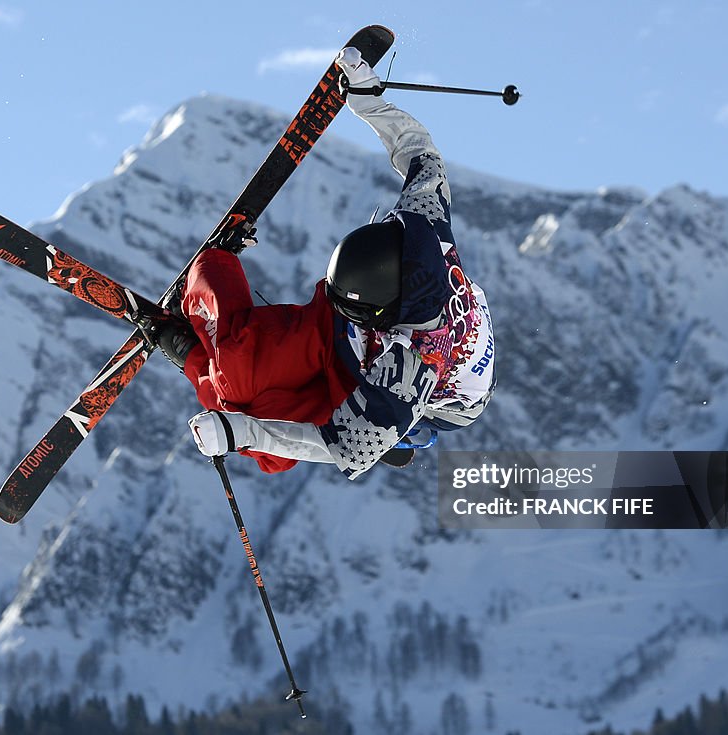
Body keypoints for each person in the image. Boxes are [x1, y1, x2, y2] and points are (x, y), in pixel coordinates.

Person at [156, 47, 496, 480]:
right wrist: (371, 102)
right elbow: (420, 152)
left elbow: (338, 447)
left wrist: (243, 433)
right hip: (358, 334)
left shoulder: (412, 367)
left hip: (392, 382)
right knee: (241, 371)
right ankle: (209, 284)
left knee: (257, 422)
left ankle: (193, 355)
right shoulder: (422, 224)